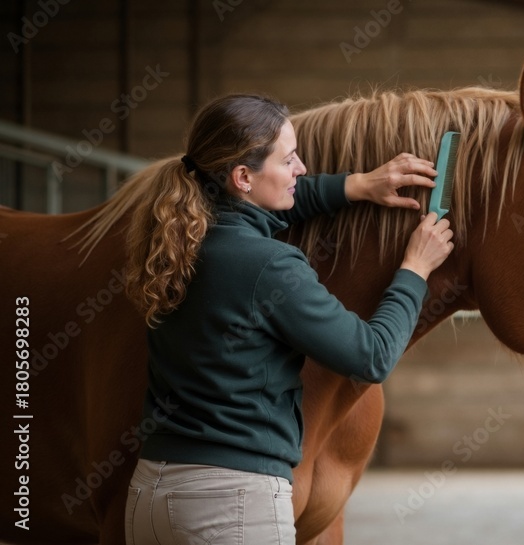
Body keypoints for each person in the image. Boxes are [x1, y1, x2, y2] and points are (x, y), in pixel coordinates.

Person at [122, 93, 453, 545]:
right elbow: (371, 356)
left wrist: (357, 185)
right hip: (231, 503)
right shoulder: (270, 267)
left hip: (149, 495)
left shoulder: (175, 243)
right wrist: (415, 270)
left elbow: (257, 213)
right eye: (290, 159)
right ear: (242, 177)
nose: (300, 170)